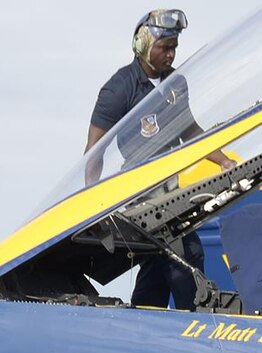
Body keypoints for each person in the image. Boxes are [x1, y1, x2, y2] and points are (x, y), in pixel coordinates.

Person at [85, 9, 209, 309]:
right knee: (184, 259)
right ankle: (198, 327)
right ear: (142, 45)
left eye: (174, 47)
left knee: (158, 266)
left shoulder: (175, 84)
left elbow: (189, 131)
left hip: (174, 194)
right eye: (165, 47)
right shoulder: (119, 89)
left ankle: (141, 323)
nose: (171, 54)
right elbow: (93, 153)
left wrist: (224, 160)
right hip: (144, 200)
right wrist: (92, 203)